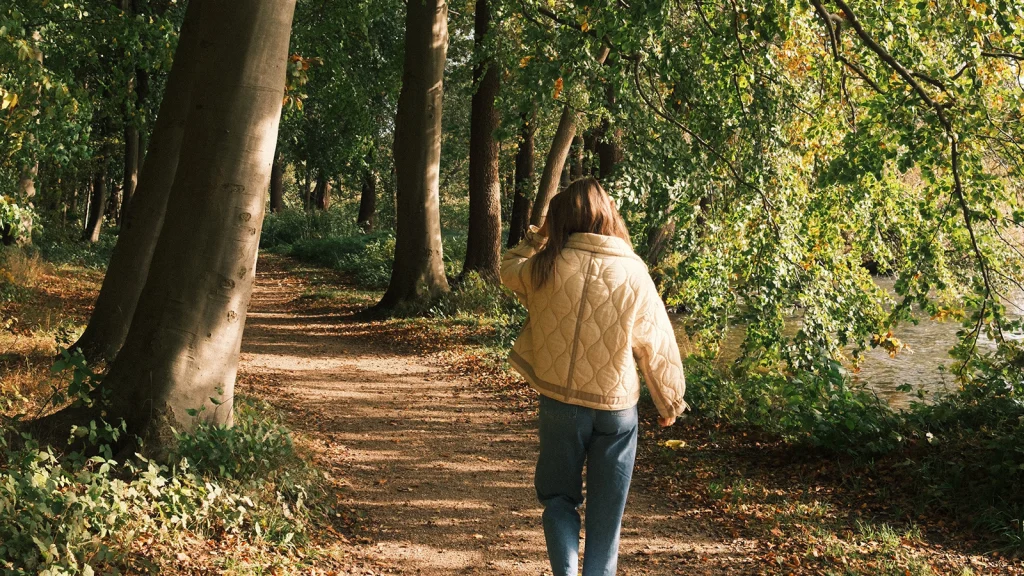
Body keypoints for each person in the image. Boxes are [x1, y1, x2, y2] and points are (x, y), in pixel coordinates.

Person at [500, 177, 688, 576]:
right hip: (616, 409)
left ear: (559, 219)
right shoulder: (634, 271)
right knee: (607, 516)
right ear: (608, 215)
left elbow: (507, 269)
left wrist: (538, 236)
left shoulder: (545, 265)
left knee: (558, 500)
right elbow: (656, 342)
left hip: (560, 404)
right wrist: (669, 401)